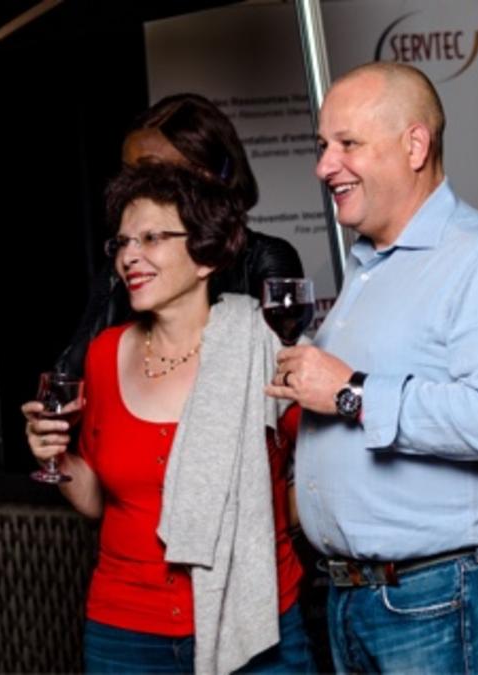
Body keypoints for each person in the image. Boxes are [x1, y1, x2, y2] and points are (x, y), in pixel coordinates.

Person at [265, 62, 478, 673]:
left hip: (443, 598)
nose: (324, 166)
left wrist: (350, 392)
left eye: (347, 143)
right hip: (359, 598)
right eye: (323, 146)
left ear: (415, 146)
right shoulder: (370, 264)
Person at [24, 164, 311, 674]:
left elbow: (325, 472)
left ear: (206, 254)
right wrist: (59, 458)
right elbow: (96, 501)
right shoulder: (104, 354)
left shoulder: (262, 347)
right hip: (125, 632)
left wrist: (262, 535)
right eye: (123, 243)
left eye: (152, 238)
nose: (129, 256)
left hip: (252, 617)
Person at [55, 93, 304, 376]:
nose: (133, 187)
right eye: (128, 174)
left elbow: (279, 371)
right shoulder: (127, 265)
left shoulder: (263, 258)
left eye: (151, 173)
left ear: (207, 176)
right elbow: (70, 374)